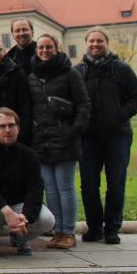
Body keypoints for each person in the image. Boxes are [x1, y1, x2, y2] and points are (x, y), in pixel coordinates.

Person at [76, 26, 137, 245]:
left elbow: (136, 98)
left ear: (107, 43)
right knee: (88, 184)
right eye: (92, 41)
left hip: (118, 135)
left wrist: (119, 116)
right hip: (89, 137)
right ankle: (95, 227)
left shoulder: (121, 69)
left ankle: (112, 228)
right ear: (86, 44)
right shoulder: (78, 72)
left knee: (115, 184)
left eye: (100, 41)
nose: (95, 45)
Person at [28, 33, 90, 250]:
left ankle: (68, 231)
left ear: (57, 48)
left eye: (49, 47)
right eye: (41, 48)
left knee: (65, 186)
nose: (44, 51)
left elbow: (83, 104)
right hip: (42, 140)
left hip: (65, 139)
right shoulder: (33, 76)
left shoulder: (70, 73)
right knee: (50, 188)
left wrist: (74, 131)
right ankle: (57, 231)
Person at [0, 107, 55, 258]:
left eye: (11, 125)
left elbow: (35, 188)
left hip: (20, 205)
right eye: (2, 126)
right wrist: (7, 211)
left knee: (47, 220)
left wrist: (26, 217)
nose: (8, 130)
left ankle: (20, 238)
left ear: (18, 128)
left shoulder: (29, 155)